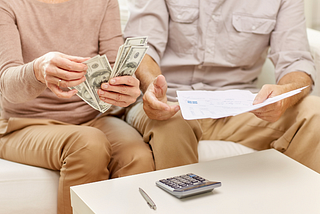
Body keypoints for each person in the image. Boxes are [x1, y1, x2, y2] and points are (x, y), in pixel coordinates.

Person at [123, 0, 320, 173]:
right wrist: (154, 87)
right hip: (171, 102)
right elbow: (142, 48)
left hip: (241, 110)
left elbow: (296, 61)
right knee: (173, 123)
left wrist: (283, 95)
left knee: (314, 112)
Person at [0, 0, 154, 214]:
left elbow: (113, 67)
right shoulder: (7, 5)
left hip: (92, 118)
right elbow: (7, 86)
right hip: (23, 123)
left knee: (138, 156)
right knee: (88, 144)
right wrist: (37, 69)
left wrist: (125, 90)